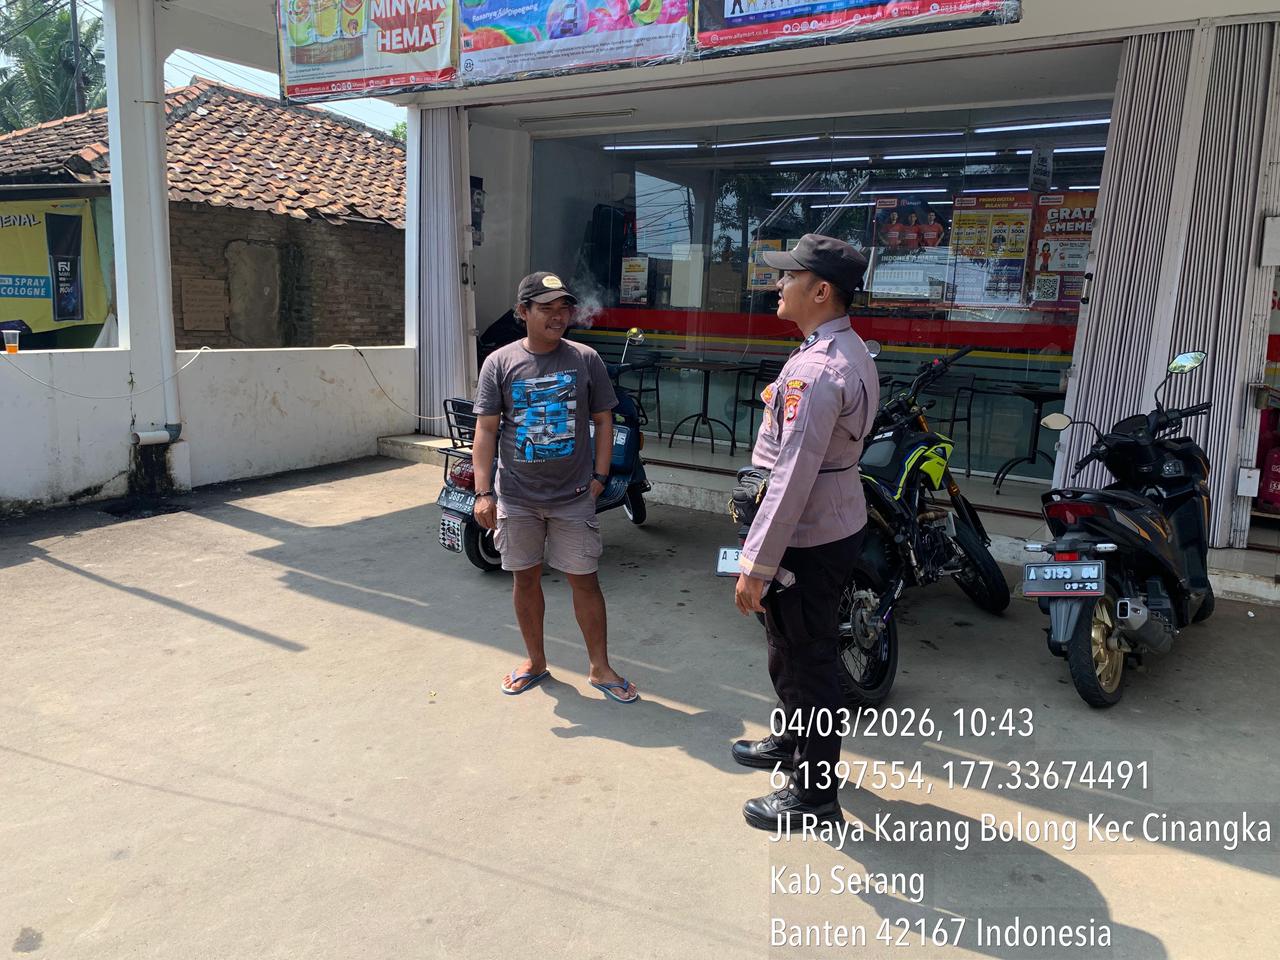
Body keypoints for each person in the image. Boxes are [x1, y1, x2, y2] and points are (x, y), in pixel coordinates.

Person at [730, 234, 879, 832]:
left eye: (789, 276)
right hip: (829, 520)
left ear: (821, 291)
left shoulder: (818, 370)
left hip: (807, 533)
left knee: (806, 660)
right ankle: (792, 742)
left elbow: (792, 477)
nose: (778, 284)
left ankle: (814, 795)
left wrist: (756, 565)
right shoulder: (842, 348)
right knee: (789, 645)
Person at [471, 271, 639, 703]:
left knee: (585, 581)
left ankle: (600, 667)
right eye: (547, 308)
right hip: (517, 498)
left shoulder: (585, 359)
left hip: (574, 498)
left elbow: (604, 419)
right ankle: (535, 661)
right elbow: (486, 430)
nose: (559, 316)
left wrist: (600, 478)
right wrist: (484, 492)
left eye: (564, 307)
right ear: (522, 312)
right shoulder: (500, 363)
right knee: (524, 580)